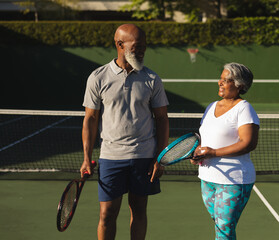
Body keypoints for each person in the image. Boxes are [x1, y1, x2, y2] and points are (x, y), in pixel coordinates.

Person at [80, 24, 169, 240]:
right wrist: (86, 158)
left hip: (144, 157)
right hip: (111, 158)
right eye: (137, 46)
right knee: (106, 214)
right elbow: (90, 119)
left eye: (144, 47)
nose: (142, 51)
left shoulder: (152, 79)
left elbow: (162, 119)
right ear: (120, 45)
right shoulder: (98, 77)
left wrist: (161, 158)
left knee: (138, 212)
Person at [191, 62, 259, 240]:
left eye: (226, 80)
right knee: (220, 227)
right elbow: (204, 139)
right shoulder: (211, 107)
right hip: (207, 179)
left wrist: (213, 153)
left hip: (233, 179)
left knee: (224, 231)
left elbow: (248, 143)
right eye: (221, 79)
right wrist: (197, 154)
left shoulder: (244, 108)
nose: (220, 82)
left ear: (239, 85)